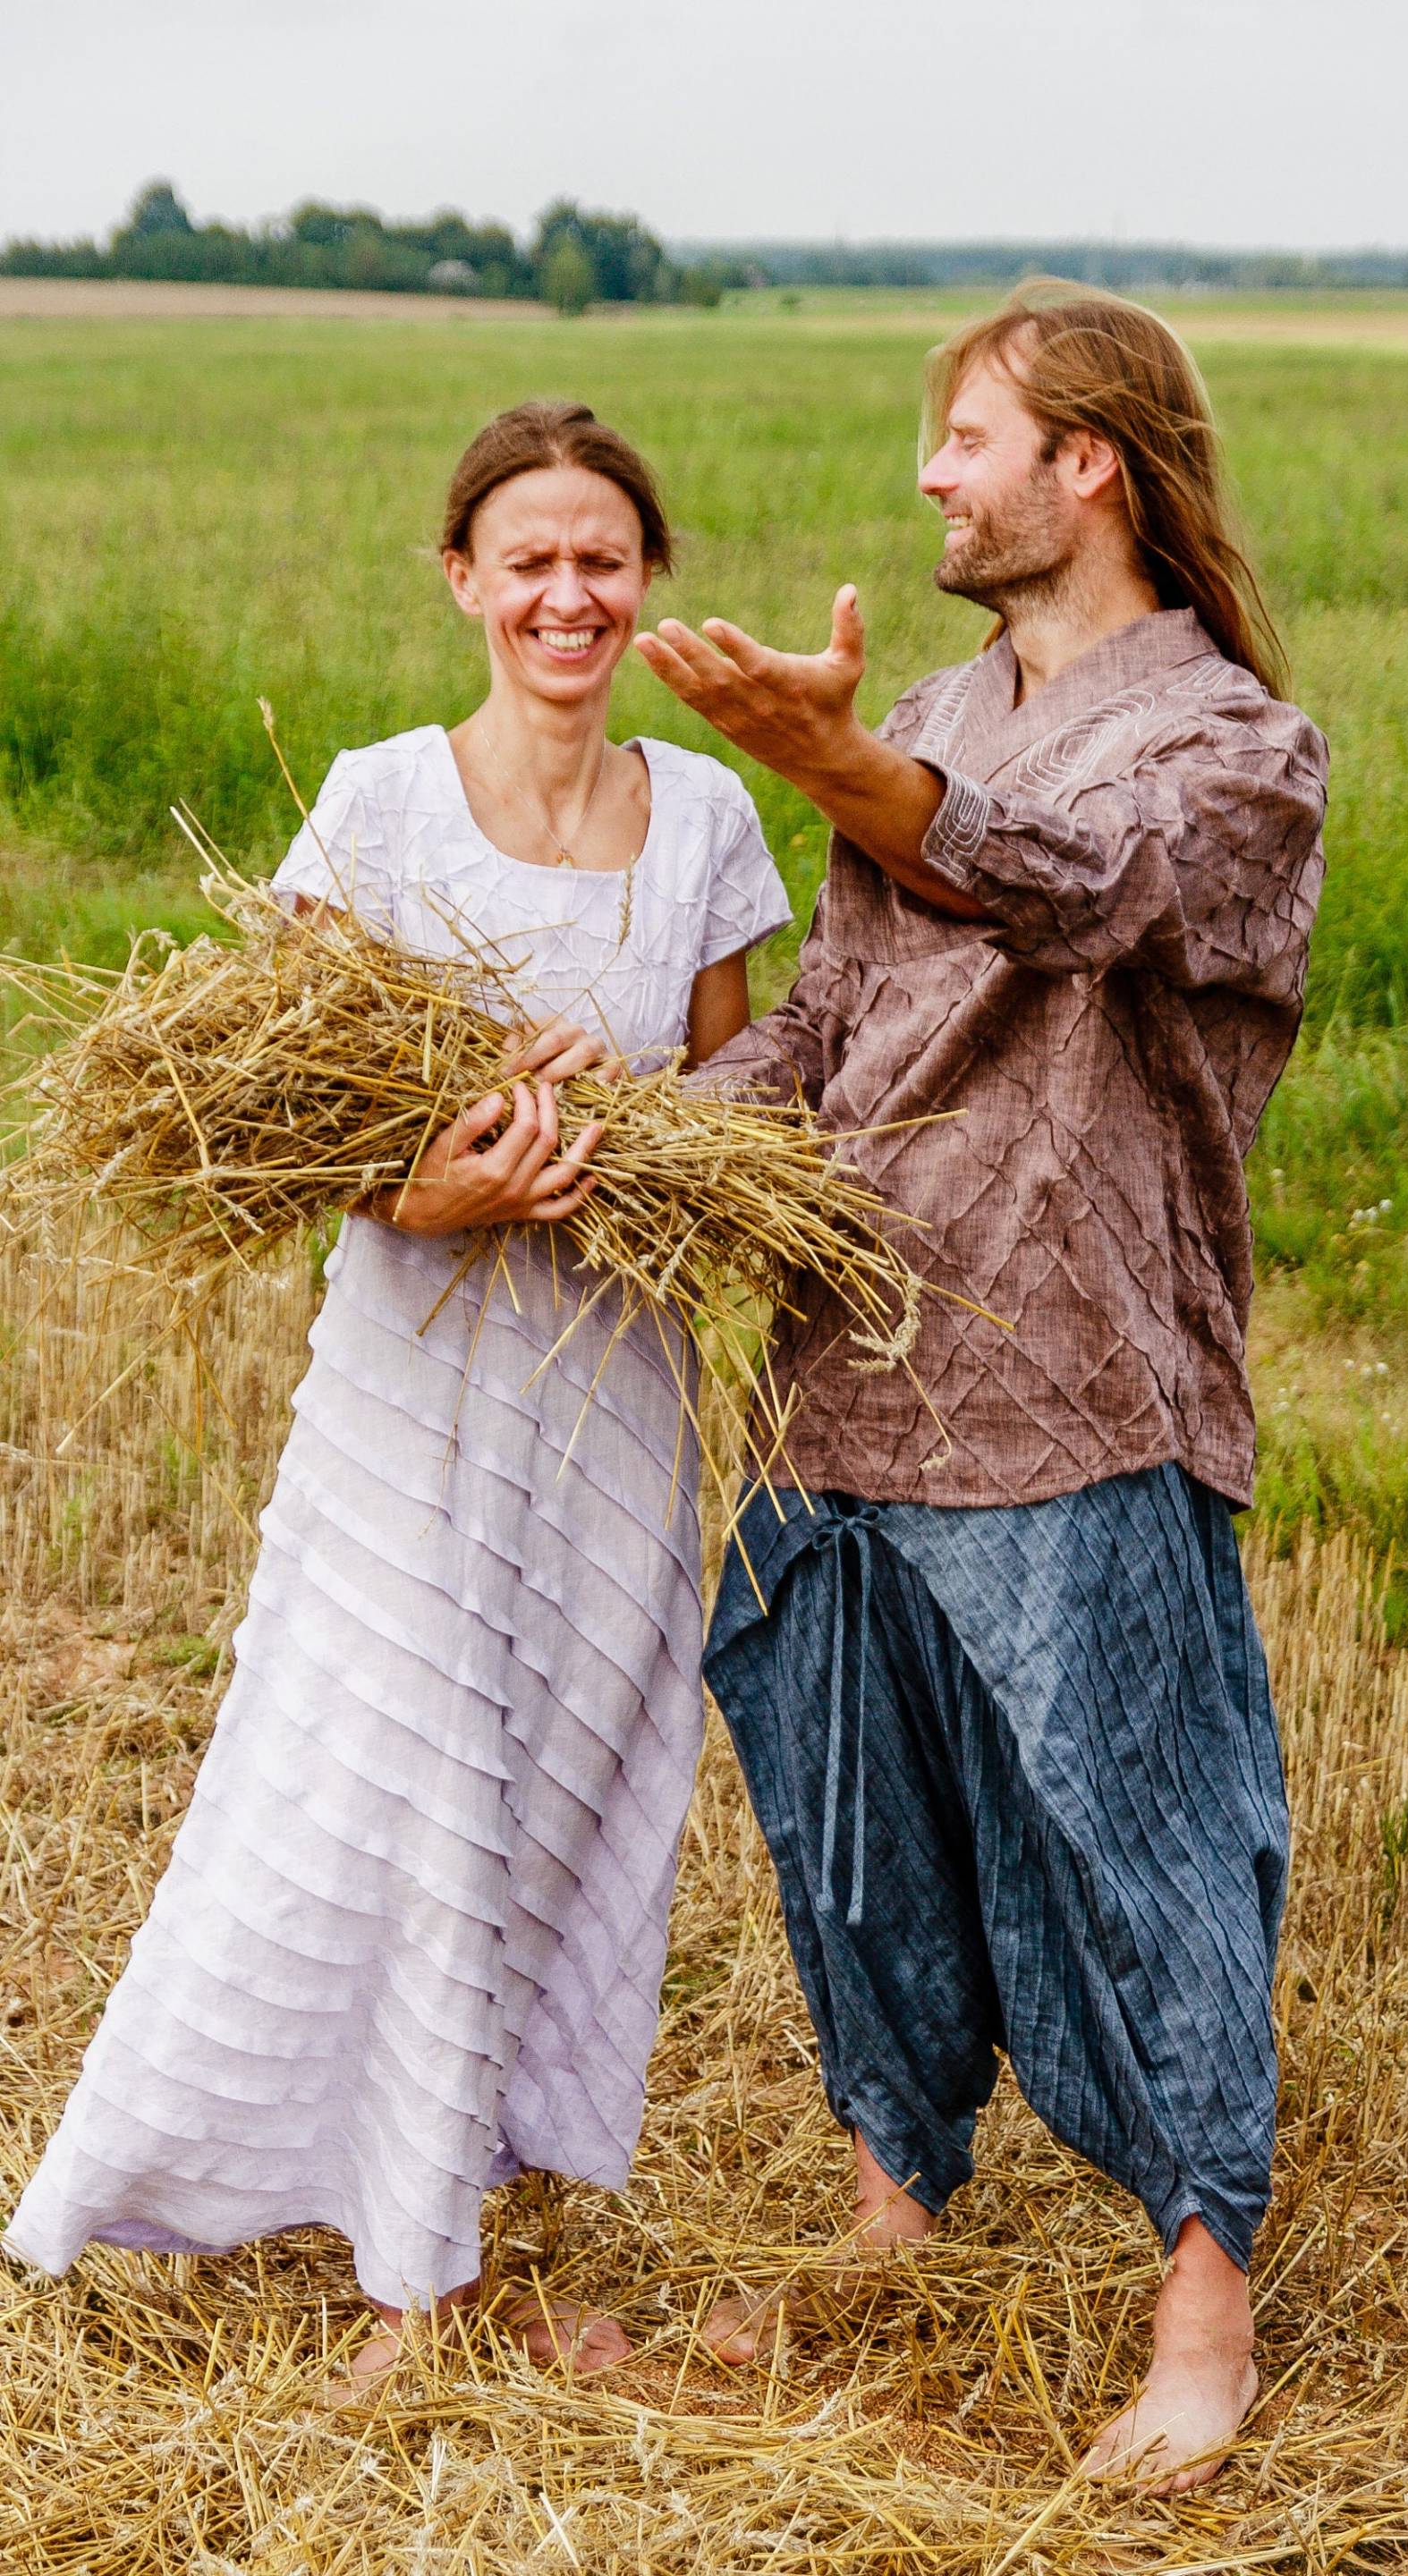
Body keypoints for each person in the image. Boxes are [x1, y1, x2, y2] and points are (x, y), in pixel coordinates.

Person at [4, 401, 792, 2394]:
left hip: (611, 1385)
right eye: (526, 557)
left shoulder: (704, 822)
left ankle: (456, 2200)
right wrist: (427, 1188)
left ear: (647, 581)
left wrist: (641, 1138)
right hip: (418, 1378)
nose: (566, 592)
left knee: (561, 1784)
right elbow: (259, 1127)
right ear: (462, 578)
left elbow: (752, 1110)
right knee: (407, 1776)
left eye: (602, 557)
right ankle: (409, 2294)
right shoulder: (369, 806)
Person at [635, 286, 1327, 2496]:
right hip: (846, 1368)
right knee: (848, 1813)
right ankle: (892, 2208)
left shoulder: (1228, 749)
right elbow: (834, 1020)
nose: (932, 475)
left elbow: (1070, 891)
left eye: (966, 438)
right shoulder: (935, 706)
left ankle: (1204, 2289)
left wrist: (836, 763)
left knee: (1136, 1829)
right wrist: (632, 1131)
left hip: (1071, 1373)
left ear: (1089, 464)